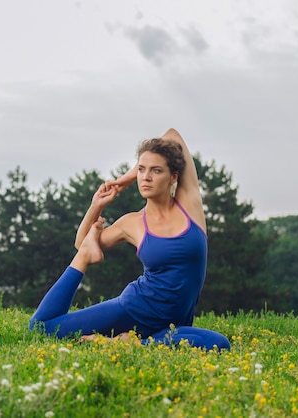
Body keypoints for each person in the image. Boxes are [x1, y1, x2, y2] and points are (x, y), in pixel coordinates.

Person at [29, 128, 230, 351]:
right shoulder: (132, 223)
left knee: (220, 344)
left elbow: (173, 135)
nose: (146, 177)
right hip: (132, 308)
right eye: (142, 170)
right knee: (41, 328)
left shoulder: (188, 205)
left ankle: (130, 343)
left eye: (156, 170)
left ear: (173, 176)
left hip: (172, 324)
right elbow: (83, 243)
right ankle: (143, 343)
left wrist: (127, 177)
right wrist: (97, 205)